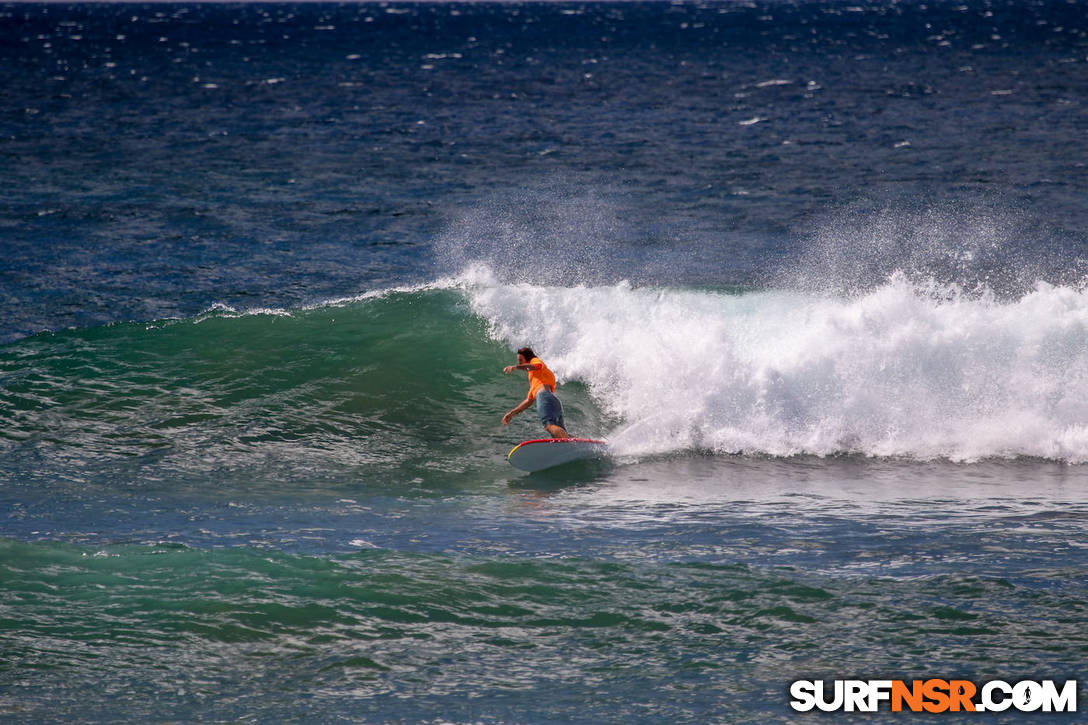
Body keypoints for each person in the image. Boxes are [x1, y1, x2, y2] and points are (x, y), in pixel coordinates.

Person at [501, 347, 570, 438]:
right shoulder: (536, 380)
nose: (519, 363)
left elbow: (536, 366)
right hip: (553, 400)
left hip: (544, 397)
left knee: (549, 426)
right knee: (559, 433)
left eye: (521, 360)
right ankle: (575, 443)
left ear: (528, 358)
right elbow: (528, 401)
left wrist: (515, 367)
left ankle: (568, 442)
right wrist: (511, 413)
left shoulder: (534, 361)